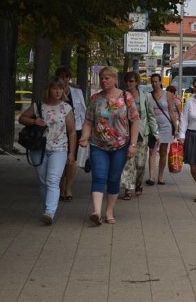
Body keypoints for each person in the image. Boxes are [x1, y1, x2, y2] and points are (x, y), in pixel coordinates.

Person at [79, 66, 140, 226]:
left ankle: (109, 211)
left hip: (120, 145)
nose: (103, 81)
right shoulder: (95, 99)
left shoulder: (126, 97)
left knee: (113, 178)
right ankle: (96, 212)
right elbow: (88, 121)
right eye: (101, 78)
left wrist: (133, 144)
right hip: (98, 144)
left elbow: (135, 121)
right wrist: (85, 137)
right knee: (98, 176)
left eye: (107, 78)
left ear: (115, 79)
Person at [19, 77, 77, 225]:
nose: (58, 91)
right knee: (43, 180)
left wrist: (71, 153)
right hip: (39, 148)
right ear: (49, 90)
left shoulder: (67, 108)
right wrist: (34, 121)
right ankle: (47, 208)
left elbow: (72, 132)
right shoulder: (39, 106)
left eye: (60, 88)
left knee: (53, 180)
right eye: (54, 88)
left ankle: (50, 212)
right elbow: (22, 118)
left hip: (59, 149)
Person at [121, 72, 159, 199]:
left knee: (140, 163)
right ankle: (128, 189)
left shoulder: (145, 96)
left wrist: (156, 133)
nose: (129, 83)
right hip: (126, 133)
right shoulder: (122, 96)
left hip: (142, 133)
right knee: (128, 163)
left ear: (137, 82)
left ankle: (138, 183)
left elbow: (151, 115)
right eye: (127, 81)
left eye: (131, 81)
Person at [55, 66, 86, 202]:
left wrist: (86, 131)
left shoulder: (77, 92)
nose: (64, 79)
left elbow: (83, 111)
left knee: (71, 158)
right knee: (61, 159)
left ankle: (68, 187)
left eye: (66, 76)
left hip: (76, 129)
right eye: (61, 76)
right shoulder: (55, 92)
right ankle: (61, 186)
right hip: (59, 131)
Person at [148, 73, 178, 186]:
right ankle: (151, 177)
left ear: (160, 82)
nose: (154, 84)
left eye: (156, 81)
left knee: (163, 152)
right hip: (153, 126)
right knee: (152, 151)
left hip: (165, 125)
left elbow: (171, 111)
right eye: (152, 82)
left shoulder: (168, 95)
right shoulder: (149, 95)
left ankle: (160, 176)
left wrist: (176, 127)